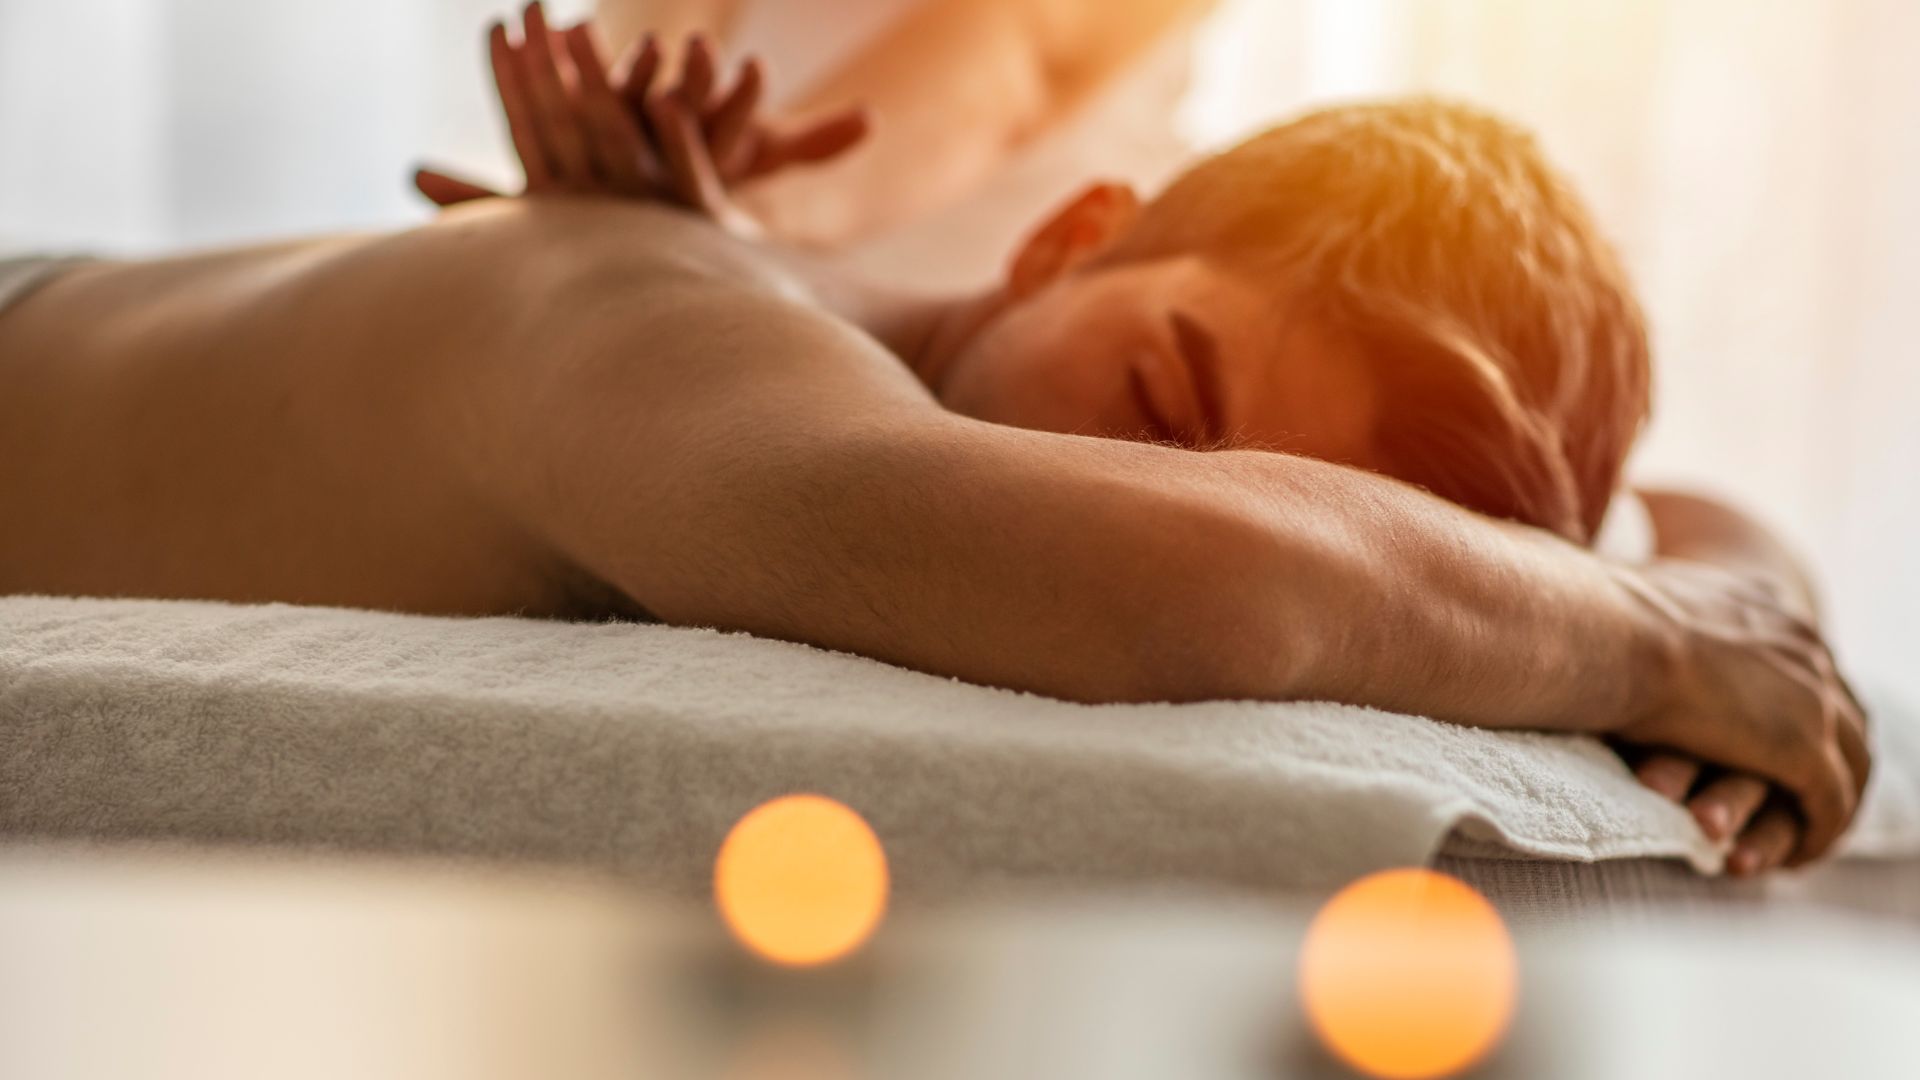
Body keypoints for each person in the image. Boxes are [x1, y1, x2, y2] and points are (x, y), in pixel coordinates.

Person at [0, 10, 1866, 878]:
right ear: (1067, 238)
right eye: (1167, 417)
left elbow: (1692, 516)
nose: (1164, 486)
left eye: (1335, 515)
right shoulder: (664, 327)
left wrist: (1733, 604)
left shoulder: (788, 315)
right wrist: (1658, 646)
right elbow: (1184, 572)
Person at [424, 0, 1216, 290]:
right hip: (698, 250)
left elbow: (1020, 53)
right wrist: (631, 154)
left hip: (980, 292)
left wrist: (735, 209)